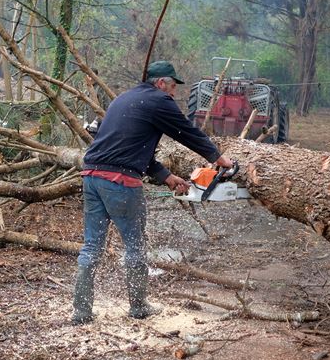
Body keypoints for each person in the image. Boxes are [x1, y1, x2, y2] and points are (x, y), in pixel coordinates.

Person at [73, 60, 233, 324]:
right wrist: (217, 157)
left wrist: (166, 177)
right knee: (135, 245)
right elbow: (186, 131)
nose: (173, 94)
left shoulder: (123, 100)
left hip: (91, 177)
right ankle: (138, 307)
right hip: (120, 182)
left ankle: (81, 312)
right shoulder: (159, 101)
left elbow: (128, 149)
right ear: (160, 83)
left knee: (91, 246)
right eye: (172, 87)